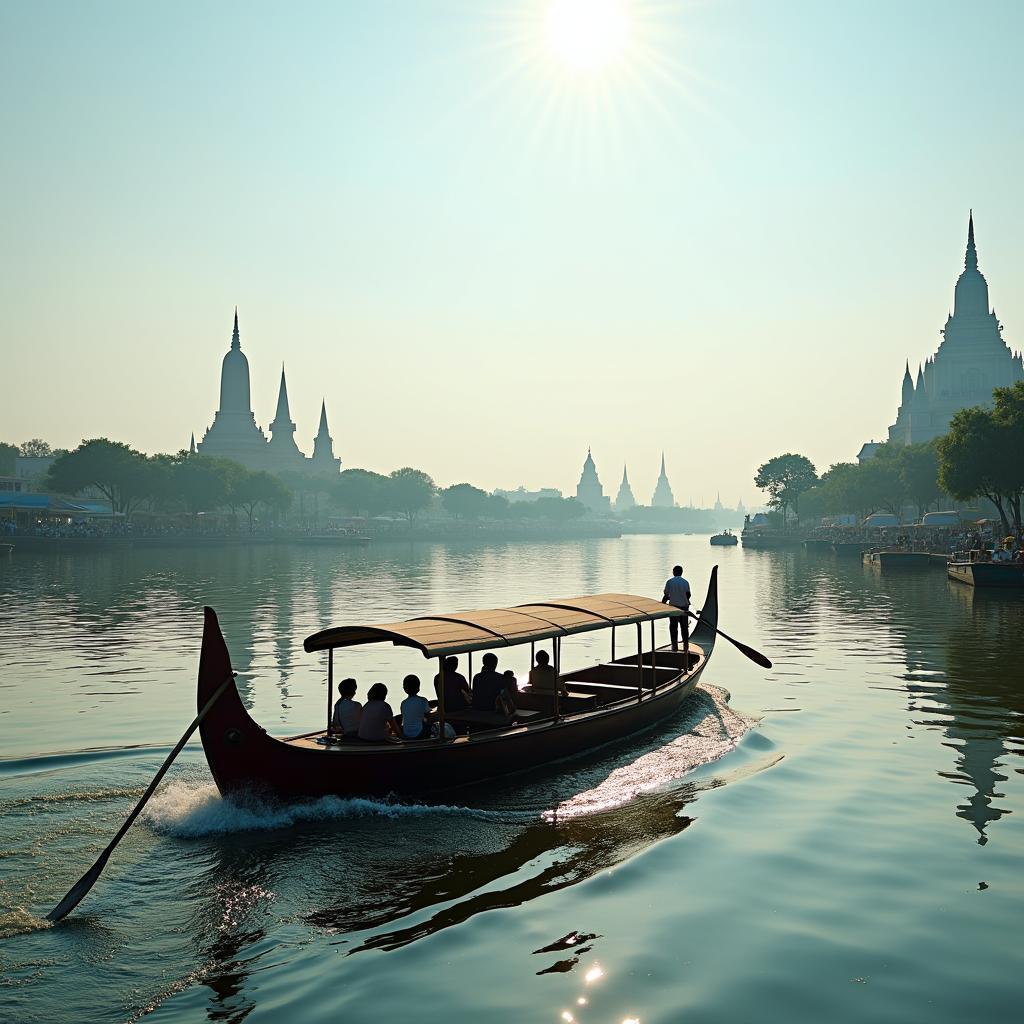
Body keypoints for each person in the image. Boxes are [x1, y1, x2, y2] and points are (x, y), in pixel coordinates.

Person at [662, 564, 691, 653]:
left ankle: (674, 645)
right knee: (684, 627)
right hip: (684, 607)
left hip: (673, 608)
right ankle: (686, 645)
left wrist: (662, 603)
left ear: (674, 572)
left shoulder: (670, 582)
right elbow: (688, 594)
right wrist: (685, 599)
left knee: (673, 626)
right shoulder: (685, 582)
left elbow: (666, 595)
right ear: (681, 572)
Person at [400, 674, 432, 740]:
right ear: (418, 688)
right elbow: (428, 716)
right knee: (430, 722)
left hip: (406, 733)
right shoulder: (423, 700)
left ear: (404, 689)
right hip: (419, 734)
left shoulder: (403, 703)